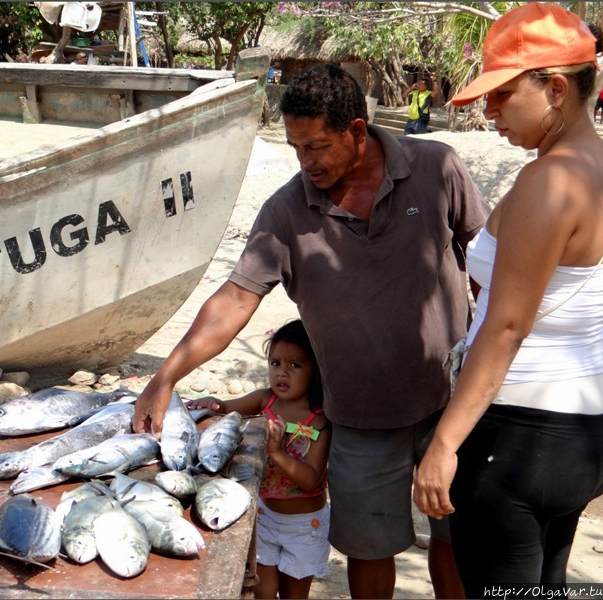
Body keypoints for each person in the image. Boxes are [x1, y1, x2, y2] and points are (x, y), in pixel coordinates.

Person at [134, 62, 489, 599]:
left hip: (451, 406)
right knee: (370, 552)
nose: (306, 162)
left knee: (456, 540)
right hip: (361, 419)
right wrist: (165, 378)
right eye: (296, 147)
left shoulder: (435, 166)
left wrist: (496, 367)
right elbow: (233, 300)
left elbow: (489, 266)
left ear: (355, 130)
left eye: (317, 147)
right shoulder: (285, 211)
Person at [413, 3, 603, 597]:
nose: (489, 112)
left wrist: (444, 443)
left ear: (555, 88)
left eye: (501, 95)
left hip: (519, 440)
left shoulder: (548, 182)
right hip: (592, 426)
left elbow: (507, 325)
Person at [185, 320, 330, 599]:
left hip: (304, 525)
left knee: (294, 595)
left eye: (295, 365)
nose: (282, 373)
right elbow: (228, 408)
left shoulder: (320, 419)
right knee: (262, 591)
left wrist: (277, 452)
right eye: (275, 363)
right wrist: (213, 403)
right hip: (264, 515)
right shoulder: (266, 401)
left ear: (316, 371)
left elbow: (312, 479)